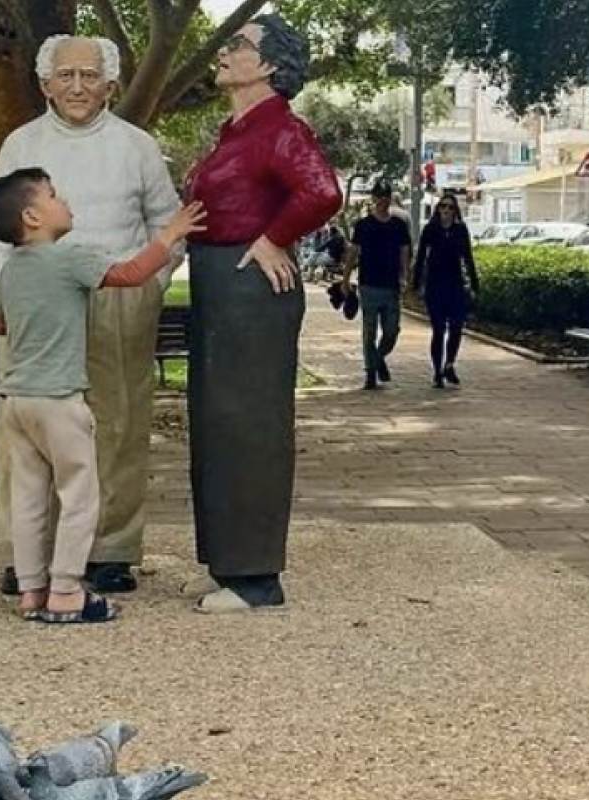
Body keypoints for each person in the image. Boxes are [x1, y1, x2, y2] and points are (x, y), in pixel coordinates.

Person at [0, 35, 183, 597]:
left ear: (111, 82)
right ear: (44, 83)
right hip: (36, 306)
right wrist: (7, 292)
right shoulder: (21, 144)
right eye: (64, 75)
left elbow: (167, 223)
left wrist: (150, 286)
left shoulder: (138, 146)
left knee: (116, 426)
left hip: (118, 297)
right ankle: (26, 556)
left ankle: (111, 549)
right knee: (22, 433)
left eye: (89, 75)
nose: (77, 86)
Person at [0, 168, 205, 623]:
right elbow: (129, 274)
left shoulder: (9, 272)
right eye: (53, 195)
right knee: (80, 494)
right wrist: (171, 234)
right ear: (33, 216)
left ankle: (31, 589)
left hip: (15, 402)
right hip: (60, 399)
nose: (64, 200)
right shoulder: (69, 259)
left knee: (28, 497)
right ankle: (65, 591)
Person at [182, 14, 341, 614]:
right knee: (220, 423)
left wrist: (275, 238)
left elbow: (322, 191)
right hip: (222, 284)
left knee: (249, 426)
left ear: (269, 65)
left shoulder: (280, 130)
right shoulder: (238, 131)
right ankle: (231, 565)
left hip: (250, 290)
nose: (224, 53)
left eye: (237, 45)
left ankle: (255, 577)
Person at [343, 184, 413, 389]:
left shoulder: (398, 225)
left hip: (391, 285)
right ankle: (370, 372)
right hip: (368, 284)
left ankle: (378, 357)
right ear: (373, 199)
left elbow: (404, 252)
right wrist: (346, 279)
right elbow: (353, 252)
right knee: (369, 330)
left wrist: (405, 277)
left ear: (390, 199)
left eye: (386, 196)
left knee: (392, 330)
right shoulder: (363, 225)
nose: (383, 200)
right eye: (379, 196)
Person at [411, 194, 480, 389]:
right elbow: (421, 257)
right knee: (439, 330)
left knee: (457, 327)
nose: (446, 210)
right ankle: (437, 371)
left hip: (455, 285)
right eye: (443, 207)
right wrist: (416, 283)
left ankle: (449, 363)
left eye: (450, 207)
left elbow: (468, 257)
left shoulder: (460, 230)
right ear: (438, 210)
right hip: (435, 286)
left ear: (455, 210)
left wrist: (475, 284)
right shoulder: (431, 230)